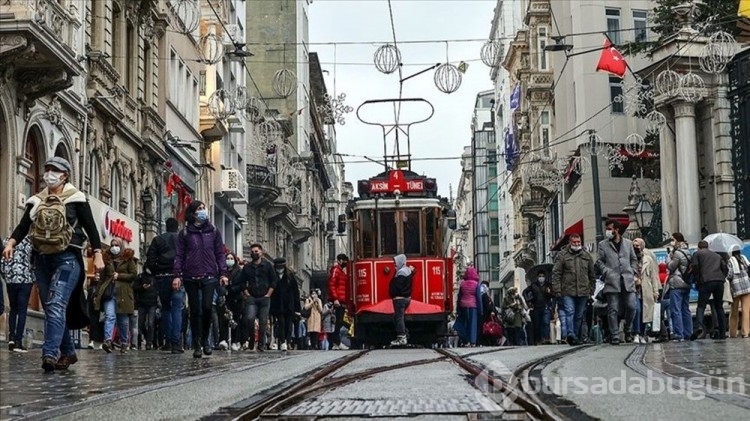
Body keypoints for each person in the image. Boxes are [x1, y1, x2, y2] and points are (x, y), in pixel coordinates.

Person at [2, 157, 104, 371]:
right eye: (47, 169)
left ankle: (49, 354)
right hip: (42, 260)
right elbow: (23, 226)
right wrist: (11, 243)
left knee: (56, 304)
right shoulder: (37, 200)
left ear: (65, 175)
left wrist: (98, 254)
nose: (49, 174)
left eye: (55, 170)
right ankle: (68, 352)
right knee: (51, 308)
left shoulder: (77, 198)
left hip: (68, 260)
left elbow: (92, 228)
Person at [173, 201, 229, 358]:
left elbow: (220, 253)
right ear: (193, 213)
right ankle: (197, 342)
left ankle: (205, 340)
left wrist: (223, 273)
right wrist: (177, 275)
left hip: (210, 275)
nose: (203, 211)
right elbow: (179, 255)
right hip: (190, 276)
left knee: (206, 308)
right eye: (200, 209)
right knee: (195, 310)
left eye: (204, 208)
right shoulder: (185, 233)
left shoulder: (214, 232)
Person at [595, 219, 638, 345]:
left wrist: (633, 270)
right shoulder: (603, 244)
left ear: (617, 230)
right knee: (613, 309)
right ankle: (614, 335)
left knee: (631, 306)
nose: (607, 231)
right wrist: (606, 272)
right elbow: (599, 261)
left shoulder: (628, 243)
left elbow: (633, 259)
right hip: (612, 280)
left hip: (627, 280)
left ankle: (628, 329)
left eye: (609, 228)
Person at [146, 217, 184, 354]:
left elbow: (150, 259)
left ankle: (168, 340)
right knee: (177, 308)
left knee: (166, 308)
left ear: (166, 227)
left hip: (162, 277)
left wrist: (156, 271)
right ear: (177, 227)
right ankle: (176, 342)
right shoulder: (181, 240)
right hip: (178, 277)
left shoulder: (158, 240)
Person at [552, 233, 595, 345]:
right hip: (567, 290)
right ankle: (570, 334)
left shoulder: (586, 256)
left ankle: (575, 336)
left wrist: (592, 289)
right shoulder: (562, 255)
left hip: (583, 291)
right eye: (575, 242)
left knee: (579, 315)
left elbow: (592, 274)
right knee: (570, 311)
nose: (577, 244)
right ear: (570, 243)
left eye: (579, 242)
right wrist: (557, 290)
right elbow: (556, 273)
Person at [97, 238, 137, 353]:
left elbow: (133, 275)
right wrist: (97, 293)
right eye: (112, 245)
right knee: (110, 316)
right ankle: (108, 341)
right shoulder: (107, 258)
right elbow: (102, 278)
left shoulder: (128, 259)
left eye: (116, 245)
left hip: (123, 293)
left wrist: (119, 276)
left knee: (122, 321)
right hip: (109, 292)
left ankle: (124, 342)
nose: (114, 247)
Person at [235, 243, 275, 352]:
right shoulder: (247, 267)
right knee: (249, 318)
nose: (254, 253)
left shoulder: (267, 266)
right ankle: (252, 340)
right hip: (252, 297)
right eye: (252, 252)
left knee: (263, 321)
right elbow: (242, 281)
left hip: (264, 297)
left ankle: (261, 344)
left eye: (256, 251)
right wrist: (246, 293)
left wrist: (268, 294)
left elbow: (274, 281)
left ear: (261, 252)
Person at [1, 235, 35, 352]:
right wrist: (33, 278)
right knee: (22, 310)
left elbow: (2, 261)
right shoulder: (29, 242)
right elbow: (34, 261)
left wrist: (6, 276)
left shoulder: (7, 242)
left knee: (13, 309)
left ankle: (11, 337)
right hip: (25, 279)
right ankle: (18, 341)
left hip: (11, 280)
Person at [690, 240, 728, 340]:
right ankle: (722, 332)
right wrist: (722, 278)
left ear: (699, 247)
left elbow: (695, 267)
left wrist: (698, 280)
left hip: (706, 281)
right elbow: (725, 268)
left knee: (701, 306)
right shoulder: (717, 255)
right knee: (719, 307)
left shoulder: (697, 254)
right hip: (719, 281)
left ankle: (699, 329)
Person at [632, 238, 661, 343]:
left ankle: (643, 334)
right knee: (637, 310)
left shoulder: (648, 259)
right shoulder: (631, 259)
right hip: (634, 289)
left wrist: (655, 291)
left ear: (642, 246)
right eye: (634, 245)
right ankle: (636, 333)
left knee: (645, 313)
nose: (636, 247)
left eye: (637, 245)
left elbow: (653, 276)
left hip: (646, 289)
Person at [666, 232, 693, 342]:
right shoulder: (688, 251)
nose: (671, 242)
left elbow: (671, 266)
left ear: (677, 240)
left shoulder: (677, 253)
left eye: (672, 239)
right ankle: (688, 332)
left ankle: (679, 334)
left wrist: (668, 258)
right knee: (685, 309)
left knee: (676, 310)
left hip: (677, 283)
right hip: (686, 283)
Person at [270, 258, 301, 351]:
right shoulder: (272, 276)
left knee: (288, 324)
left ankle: (287, 340)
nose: (279, 269)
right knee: (281, 322)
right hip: (277, 304)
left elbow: (296, 293)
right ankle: (283, 341)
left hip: (289, 305)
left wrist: (297, 308)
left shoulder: (290, 277)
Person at [389, 254, 415, 346]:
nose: (394, 264)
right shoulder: (407, 271)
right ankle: (404, 333)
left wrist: (393, 293)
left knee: (399, 318)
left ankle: (402, 337)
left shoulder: (401, 273)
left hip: (400, 298)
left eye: (395, 262)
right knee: (398, 317)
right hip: (405, 298)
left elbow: (397, 286)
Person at [454, 267, 482, 346]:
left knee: (465, 323)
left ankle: (466, 341)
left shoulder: (462, 284)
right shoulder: (476, 284)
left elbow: (459, 296)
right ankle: (472, 341)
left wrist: (458, 308)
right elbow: (478, 298)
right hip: (473, 306)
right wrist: (480, 310)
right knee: (473, 324)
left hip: (463, 305)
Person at [328, 253, 349, 350]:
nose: (345, 263)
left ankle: (336, 342)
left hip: (341, 300)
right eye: (344, 261)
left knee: (340, 321)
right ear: (340, 260)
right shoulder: (336, 270)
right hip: (338, 300)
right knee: (338, 321)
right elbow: (332, 284)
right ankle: (336, 341)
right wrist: (335, 298)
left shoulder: (341, 271)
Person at [727, 248, 750, 338]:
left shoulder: (730, 261)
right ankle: (745, 332)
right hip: (747, 287)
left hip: (736, 288)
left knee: (734, 311)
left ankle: (733, 333)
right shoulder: (744, 259)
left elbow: (729, 275)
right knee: (746, 310)